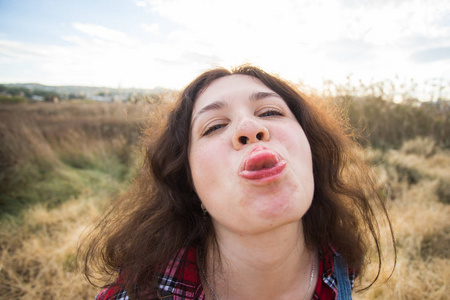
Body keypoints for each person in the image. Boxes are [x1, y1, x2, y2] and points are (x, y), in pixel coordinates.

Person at [80, 65, 395, 300]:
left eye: (270, 111)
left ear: (310, 150)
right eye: (215, 126)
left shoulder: (337, 267)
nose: (249, 127)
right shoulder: (139, 295)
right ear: (189, 183)